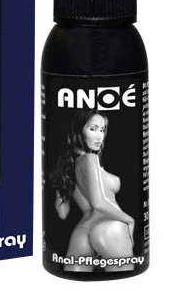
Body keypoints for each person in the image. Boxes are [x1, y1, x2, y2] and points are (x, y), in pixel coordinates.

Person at [50, 109, 134, 272]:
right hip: (109, 224)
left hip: (82, 230)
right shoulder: (90, 159)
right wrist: (130, 220)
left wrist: (60, 186)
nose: (99, 136)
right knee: (122, 280)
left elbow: (62, 213)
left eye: (102, 130)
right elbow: (98, 203)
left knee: (71, 281)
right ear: (79, 131)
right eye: (93, 129)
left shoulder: (68, 168)